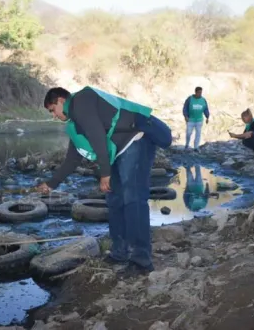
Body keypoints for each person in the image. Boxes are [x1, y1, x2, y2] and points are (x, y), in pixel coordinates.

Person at [37, 86, 172, 276]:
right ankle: (120, 252)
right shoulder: (75, 123)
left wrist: (105, 174)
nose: (53, 115)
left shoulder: (82, 101)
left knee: (133, 199)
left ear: (60, 100)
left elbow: (97, 136)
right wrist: (51, 184)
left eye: (52, 110)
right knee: (114, 199)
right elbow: (72, 159)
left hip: (136, 140)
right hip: (118, 150)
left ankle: (141, 261)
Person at [182, 86, 210, 151]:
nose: (200, 94)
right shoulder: (190, 99)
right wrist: (185, 116)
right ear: (196, 92)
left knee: (198, 134)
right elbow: (185, 108)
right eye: (199, 92)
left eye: (201, 92)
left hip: (199, 120)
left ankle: (196, 147)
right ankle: (187, 145)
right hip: (190, 120)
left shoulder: (203, 100)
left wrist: (207, 117)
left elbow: (206, 109)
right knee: (188, 133)